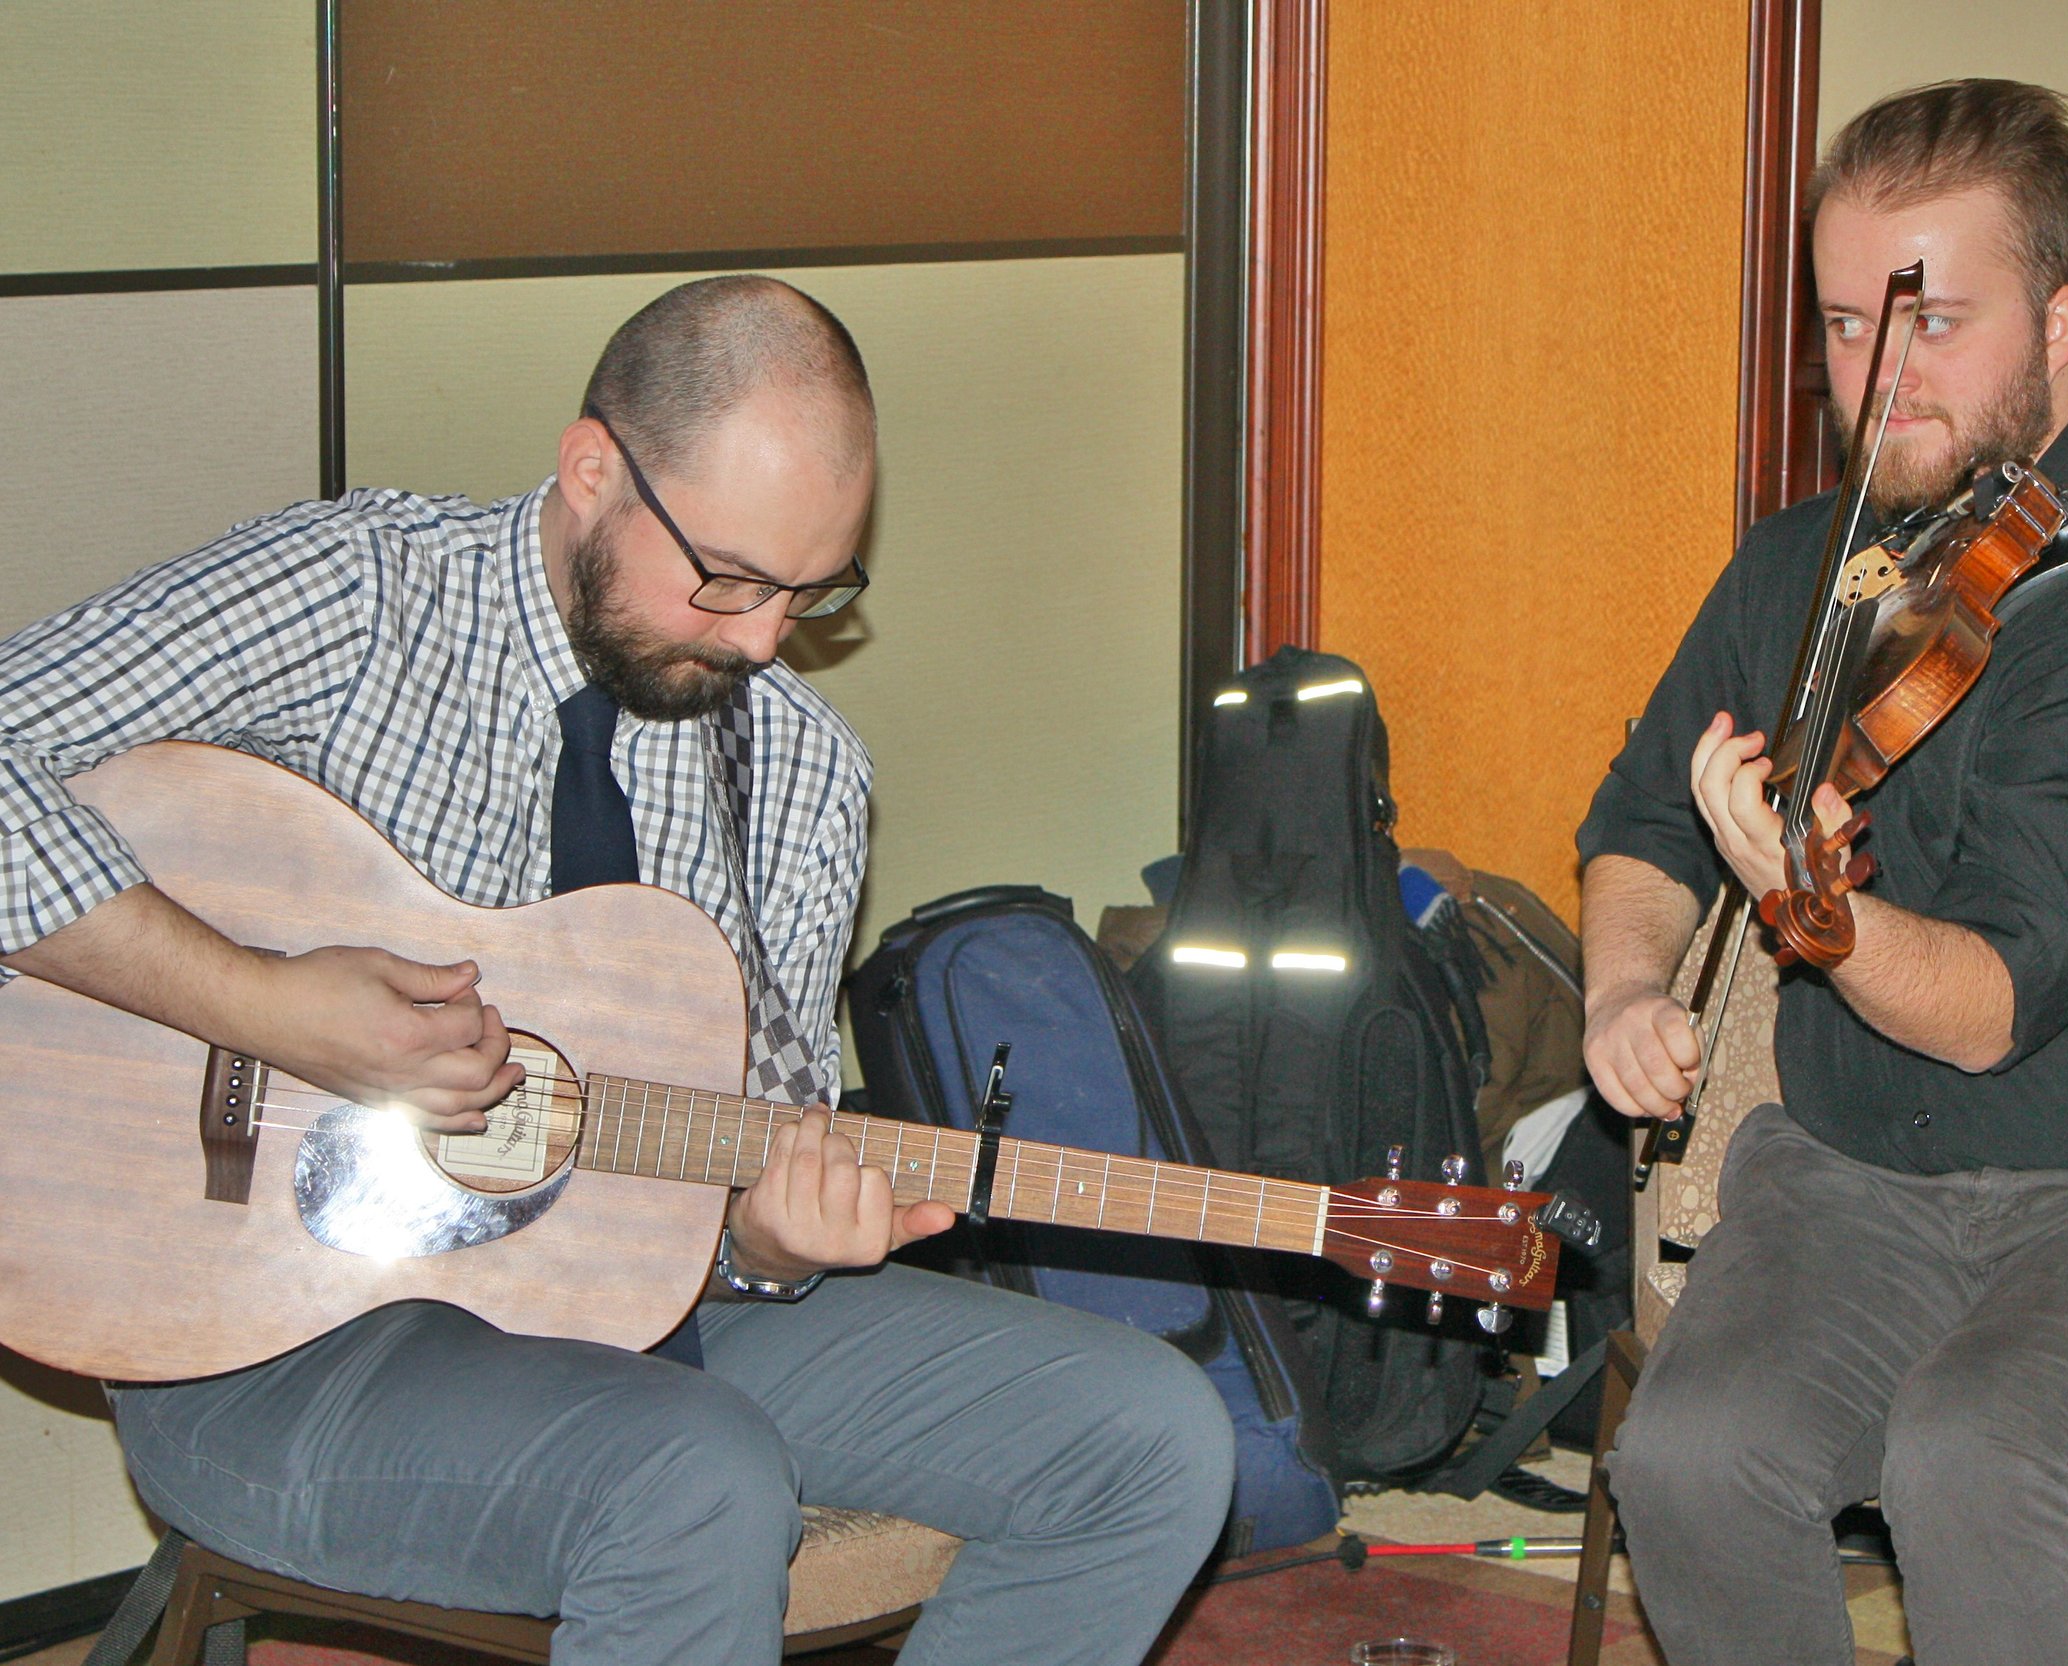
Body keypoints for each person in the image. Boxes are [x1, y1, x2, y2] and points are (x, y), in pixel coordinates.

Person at [0, 275, 1233, 1666]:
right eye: (731, 577)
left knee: (1152, 1439)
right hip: (259, 1338)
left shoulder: (800, 771)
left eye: (810, 592)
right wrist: (262, 1003)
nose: (761, 638)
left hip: (628, 1322)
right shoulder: (359, 597)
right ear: (593, 469)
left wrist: (766, 1242)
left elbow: (731, 1188)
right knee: (695, 1479)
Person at [1576, 82, 2068, 1666]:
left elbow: (1987, 1005)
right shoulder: (1796, 569)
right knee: (1692, 1458)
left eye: (1933, 320)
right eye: (1847, 324)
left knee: (1976, 1455)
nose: (1883, 375)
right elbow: (1643, 826)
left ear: (2060, 321)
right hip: (1856, 1187)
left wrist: (1815, 911)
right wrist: (1624, 988)